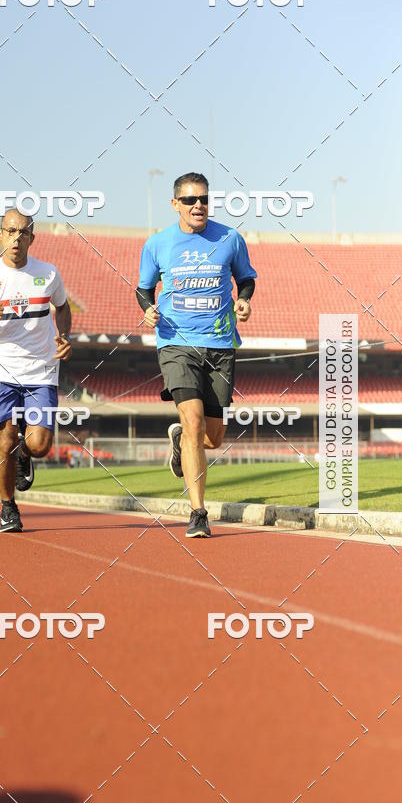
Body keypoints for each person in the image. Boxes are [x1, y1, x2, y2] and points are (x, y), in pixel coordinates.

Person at [136, 172, 256, 538]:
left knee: (213, 436)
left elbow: (246, 278)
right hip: (175, 343)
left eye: (203, 199)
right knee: (193, 422)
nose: (198, 206)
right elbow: (144, 289)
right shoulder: (157, 244)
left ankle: (180, 443)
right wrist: (148, 309)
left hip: (220, 345)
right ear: (175, 205)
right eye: (189, 200)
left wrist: (244, 300)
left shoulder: (230, 239)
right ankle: (198, 513)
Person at [0, 208, 72, 533]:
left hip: (41, 371)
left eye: (23, 232)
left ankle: (26, 455)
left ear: (32, 238)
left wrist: (64, 336)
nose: (17, 238)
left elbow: (61, 307)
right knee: (3, 440)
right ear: (0, 234)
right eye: (11, 231)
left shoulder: (48, 273)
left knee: (40, 445)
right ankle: (8, 507)